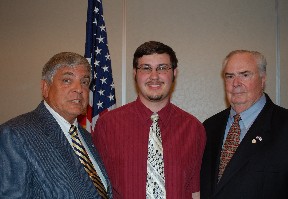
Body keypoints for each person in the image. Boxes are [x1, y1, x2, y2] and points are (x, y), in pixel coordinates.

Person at [93, 41, 206, 198]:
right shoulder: (107, 125)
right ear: (135, 73)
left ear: (174, 73)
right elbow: (97, 188)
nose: (154, 76)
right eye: (146, 68)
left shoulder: (193, 128)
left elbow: (195, 192)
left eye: (162, 68)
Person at [0, 52, 112, 199]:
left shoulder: (87, 138)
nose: (79, 89)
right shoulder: (15, 134)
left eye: (84, 82)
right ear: (45, 87)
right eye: (67, 80)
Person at [200, 50, 288, 199]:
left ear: (263, 78)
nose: (236, 83)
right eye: (230, 76)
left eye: (245, 75)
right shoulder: (209, 127)